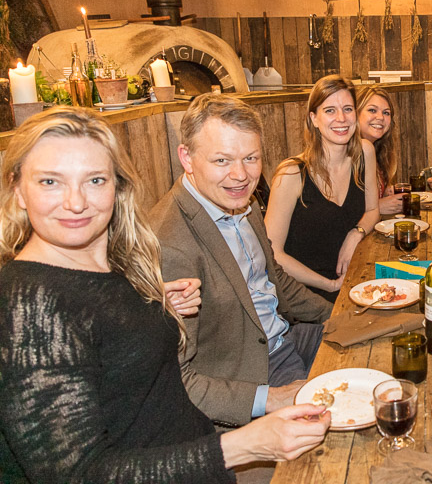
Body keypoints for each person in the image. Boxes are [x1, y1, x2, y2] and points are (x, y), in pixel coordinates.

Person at [0, 107, 330, 483]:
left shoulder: (109, 263)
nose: (76, 202)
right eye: (49, 182)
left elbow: (123, 366)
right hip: (203, 456)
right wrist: (244, 444)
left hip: (195, 455)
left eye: (94, 180)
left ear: (117, 186)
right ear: (17, 189)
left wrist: (157, 309)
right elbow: (79, 474)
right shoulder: (27, 306)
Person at [149, 94, 333, 428]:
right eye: (222, 161)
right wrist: (271, 398)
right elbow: (176, 380)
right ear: (186, 158)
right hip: (251, 376)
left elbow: (275, 279)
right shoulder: (170, 245)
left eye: (251, 158)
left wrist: (336, 317)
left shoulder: (237, 200)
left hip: (285, 337)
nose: (240, 175)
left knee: (375, 353)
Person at [265, 75, 380, 304]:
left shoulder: (364, 153)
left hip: (354, 285)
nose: (341, 118)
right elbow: (273, 254)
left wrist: (355, 234)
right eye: (329, 110)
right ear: (313, 118)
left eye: (347, 109)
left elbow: (373, 210)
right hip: (305, 297)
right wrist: (330, 285)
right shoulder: (290, 174)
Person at [357, 85, 404, 215]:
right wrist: (378, 207)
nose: (381, 117)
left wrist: (384, 192)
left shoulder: (378, 152)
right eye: (372, 110)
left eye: (386, 113)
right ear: (355, 114)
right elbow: (335, 212)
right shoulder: (346, 155)